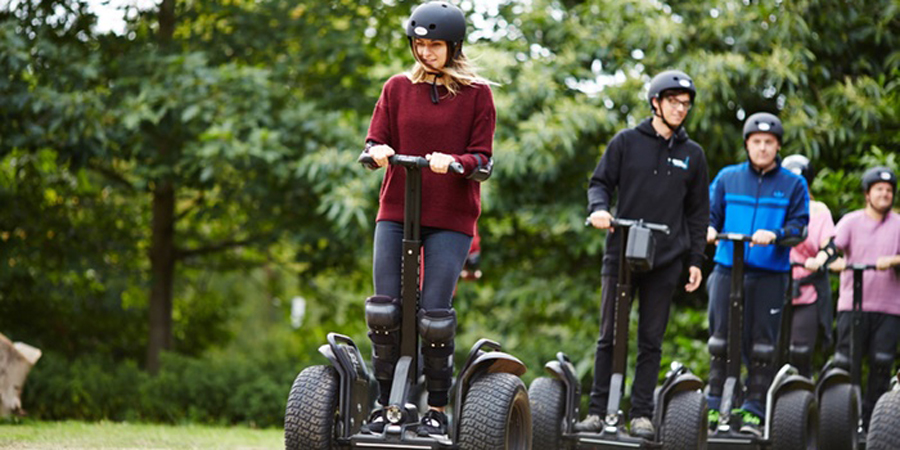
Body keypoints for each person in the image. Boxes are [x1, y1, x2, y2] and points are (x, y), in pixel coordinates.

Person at [358, 1, 495, 437]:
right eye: (419, 44)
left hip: (451, 218)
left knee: (434, 316)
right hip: (397, 210)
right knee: (385, 311)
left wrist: (454, 162)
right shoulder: (397, 88)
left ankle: (436, 408)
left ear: (453, 46)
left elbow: (483, 159)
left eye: (435, 45)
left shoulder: (477, 94)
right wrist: (377, 151)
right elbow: (375, 139)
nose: (426, 52)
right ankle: (387, 405)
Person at [577, 70, 710, 439]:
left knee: (651, 339)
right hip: (620, 253)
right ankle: (599, 410)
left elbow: (699, 213)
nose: (680, 109)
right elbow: (600, 183)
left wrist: (695, 261)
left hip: (666, 258)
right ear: (655, 102)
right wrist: (599, 209)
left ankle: (640, 414)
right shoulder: (626, 142)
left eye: (685, 104)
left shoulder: (693, 155)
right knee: (609, 335)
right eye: (673, 102)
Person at [705, 112, 809, 436]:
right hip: (727, 269)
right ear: (747, 145)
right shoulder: (727, 178)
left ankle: (753, 409)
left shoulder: (793, 184)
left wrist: (776, 234)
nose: (762, 148)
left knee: (763, 345)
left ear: (777, 147)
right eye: (756, 142)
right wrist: (708, 228)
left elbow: (800, 227)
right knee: (721, 339)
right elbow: (709, 213)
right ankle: (715, 405)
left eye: (769, 143)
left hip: (769, 273)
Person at [828, 166, 900, 431]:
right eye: (879, 190)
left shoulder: (898, 224)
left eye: (889, 190)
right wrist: (835, 262)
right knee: (847, 363)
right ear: (868, 194)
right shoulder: (851, 221)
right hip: (852, 305)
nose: (885, 194)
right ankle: (842, 423)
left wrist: (892, 260)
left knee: (881, 364)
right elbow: (831, 248)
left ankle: (874, 424)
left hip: (889, 308)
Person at [783, 155, 838, 378]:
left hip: (807, 289)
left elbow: (830, 247)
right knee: (767, 349)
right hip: (776, 286)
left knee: (800, 350)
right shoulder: (776, 207)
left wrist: (820, 259)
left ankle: (801, 392)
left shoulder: (818, 211)